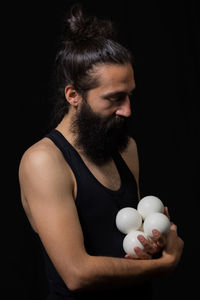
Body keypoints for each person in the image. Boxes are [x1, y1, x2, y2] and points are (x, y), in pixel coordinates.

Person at [18, 4, 184, 300]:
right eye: (114, 98)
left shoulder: (126, 148)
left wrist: (152, 243)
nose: (128, 110)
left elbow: (125, 237)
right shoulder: (43, 161)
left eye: (130, 95)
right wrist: (163, 266)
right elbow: (76, 274)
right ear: (74, 95)